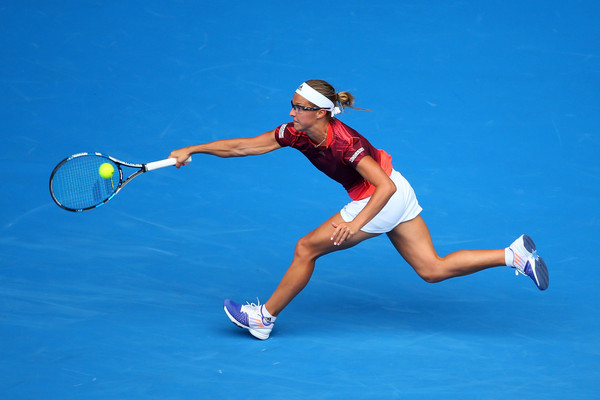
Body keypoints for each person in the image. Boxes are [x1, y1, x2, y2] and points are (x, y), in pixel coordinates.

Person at [169, 79, 549, 340]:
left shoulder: (345, 143)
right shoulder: (296, 132)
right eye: (292, 105)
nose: (292, 111)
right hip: (395, 187)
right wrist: (194, 149)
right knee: (431, 269)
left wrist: (357, 224)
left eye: (300, 108)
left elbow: (381, 188)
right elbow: (245, 146)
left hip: (380, 196)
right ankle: (512, 255)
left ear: (320, 112)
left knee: (306, 248)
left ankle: (263, 318)